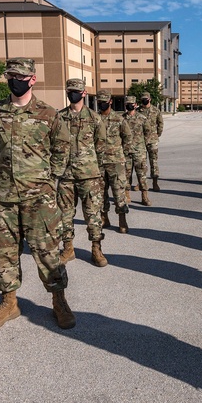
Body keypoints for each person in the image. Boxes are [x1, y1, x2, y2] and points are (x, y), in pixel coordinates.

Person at [0, 58, 74, 332]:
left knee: (47, 252)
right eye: (10, 75)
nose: (15, 80)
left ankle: (59, 301)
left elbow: (62, 148)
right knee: (4, 252)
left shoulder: (48, 113)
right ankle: (9, 302)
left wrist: (49, 178)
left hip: (39, 197)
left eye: (20, 76)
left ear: (32, 79)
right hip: (4, 195)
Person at [57, 78, 110, 267]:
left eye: (76, 91)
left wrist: (96, 171)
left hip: (89, 176)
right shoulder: (59, 117)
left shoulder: (95, 119)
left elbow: (101, 147)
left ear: (84, 93)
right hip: (66, 176)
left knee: (93, 214)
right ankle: (68, 248)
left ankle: (96, 249)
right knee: (64, 214)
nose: (72, 94)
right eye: (69, 90)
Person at [95, 89, 132, 234]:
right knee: (101, 192)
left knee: (119, 191)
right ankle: (104, 217)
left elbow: (128, 137)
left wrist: (122, 153)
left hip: (116, 162)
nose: (102, 104)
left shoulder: (119, 119)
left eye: (104, 102)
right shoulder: (94, 118)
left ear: (110, 101)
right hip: (99, 162)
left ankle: (122, 219)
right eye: (99, 102)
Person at [123, 95, 152, 205]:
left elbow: (148, 132)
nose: (129, 106)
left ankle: (144, 197)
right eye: (127, 104)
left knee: (142, 175)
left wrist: (143, 145)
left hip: (139, 151)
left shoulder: (142, 118)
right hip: (126, 152)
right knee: (126, 175)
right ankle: (127, 195)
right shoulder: (122, 119)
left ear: (135, 105)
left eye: (131, 104)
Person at [138, 91, 164, 191]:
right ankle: (141, 183)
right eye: (143, 99)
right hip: (141, 140)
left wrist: (157, 134)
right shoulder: (138, 111)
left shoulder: (156, 111)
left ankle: (155, 182)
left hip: (153, 140)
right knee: (141, 163)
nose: (144, 101)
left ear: (150, 99)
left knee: (153, 162)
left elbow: (160, 123)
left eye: (146, 99)